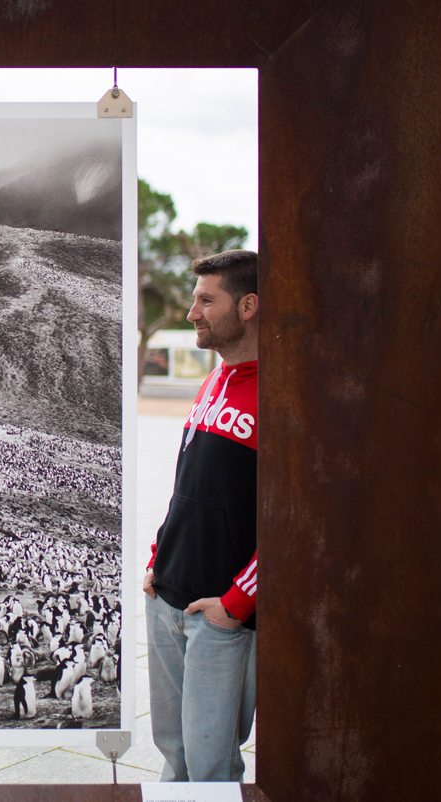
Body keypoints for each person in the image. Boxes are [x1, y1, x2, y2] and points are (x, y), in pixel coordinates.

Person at [144, 249, 259, 782]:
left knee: (212, 765)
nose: (193, 312)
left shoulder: (277, 397)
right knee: (175, 754)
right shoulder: (214, 382)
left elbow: (293, 526)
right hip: (168, 594)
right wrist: (156, 558)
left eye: (206, 300)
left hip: (219, 616)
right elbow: (187, 488)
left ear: (249, 306)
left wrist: (237, 604)